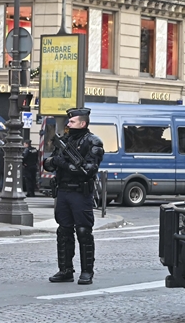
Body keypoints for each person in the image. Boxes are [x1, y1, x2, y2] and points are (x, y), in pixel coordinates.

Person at [43, 108, 104, 285]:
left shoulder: (93, 142)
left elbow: (89, 170)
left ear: (83, 123)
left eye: (72, 122)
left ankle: (87, 272)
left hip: (80, 193)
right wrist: (55, 161)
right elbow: (48, 164)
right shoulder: (63, 141)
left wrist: (63, 164)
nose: (68, 124)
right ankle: (65, 270)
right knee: (63, 231)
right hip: (62, 192)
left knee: (84, 232)